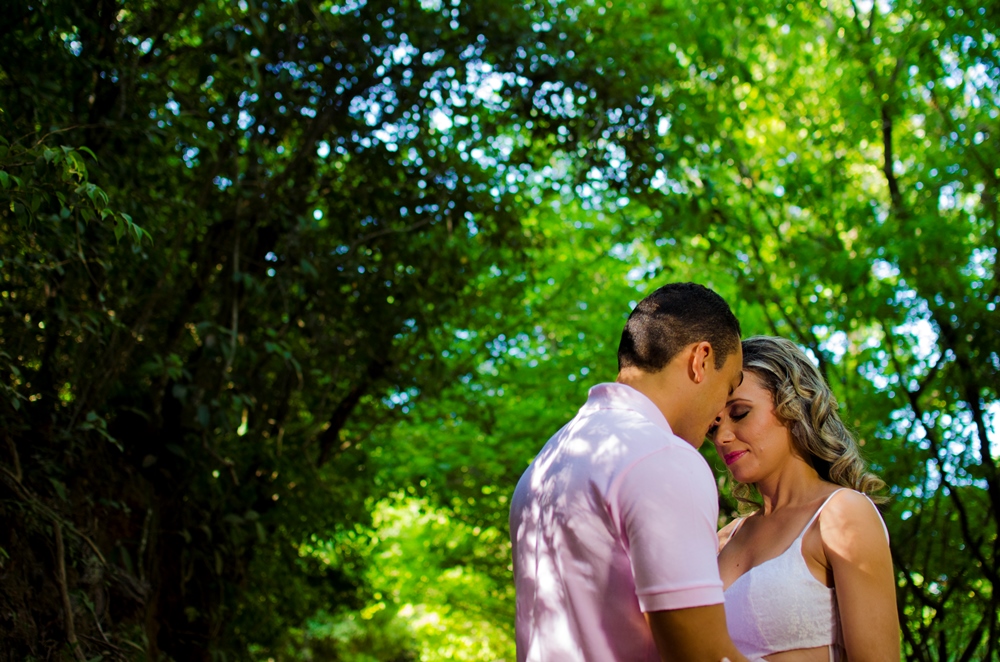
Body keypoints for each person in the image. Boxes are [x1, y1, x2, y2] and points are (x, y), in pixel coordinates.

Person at [509, 282, 750, 662]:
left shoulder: (547, 462)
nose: (722, 413)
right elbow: (703, 655)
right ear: (700, 360)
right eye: (729, 385)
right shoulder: (664, 459)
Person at [710, 336, 900, 662]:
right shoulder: (722, 541)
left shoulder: (841, 515)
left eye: (739, 413)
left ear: (793, 405)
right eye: (713, 427)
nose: (723, 437)